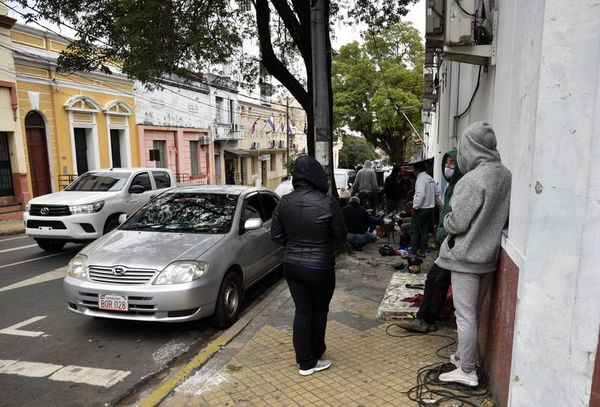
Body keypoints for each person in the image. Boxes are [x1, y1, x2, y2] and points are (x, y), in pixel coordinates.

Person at [435, 122, 511, 387]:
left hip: (466, 258)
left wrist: (447, 220)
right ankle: (462, 357)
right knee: (473, 312)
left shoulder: (473, 179)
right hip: (488, 258)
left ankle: (467, 370)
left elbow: (457, 223)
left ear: (471, 147)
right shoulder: (505, 175)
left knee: (464, 315)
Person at [271, 155, 347, 377]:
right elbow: (341, 234)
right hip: (320, 267)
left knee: (302, 311)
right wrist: (324, 243)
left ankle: (305, 361)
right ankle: (315, 355)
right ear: (316, 176)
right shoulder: (327, 201)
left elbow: (276, 235)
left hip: (292, 265)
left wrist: (294, 243)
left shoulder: (284, 201)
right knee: (319, 310)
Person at [397, 149, 463, 333]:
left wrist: (442, 232)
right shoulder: (447, 184)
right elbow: (439, 198)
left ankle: (426, 319)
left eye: (453, 163)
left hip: (453, 243)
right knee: (435, 278)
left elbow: (457, 218)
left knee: (436, 278)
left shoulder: (461, 186)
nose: (449, 167)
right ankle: (430, 316)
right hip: (446, 238)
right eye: (447, 163)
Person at [410, 161, 440, 257]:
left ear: (417, 170)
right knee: (424, 230)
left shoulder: (421, 179)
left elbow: (420, 194)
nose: (413, 172)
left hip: (422, 209)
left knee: (414, 229)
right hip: (430, 209)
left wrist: (415, 207)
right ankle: (422, 251)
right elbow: (437, 191)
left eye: (414, 170)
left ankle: (414, 250)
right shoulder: (430, 178)